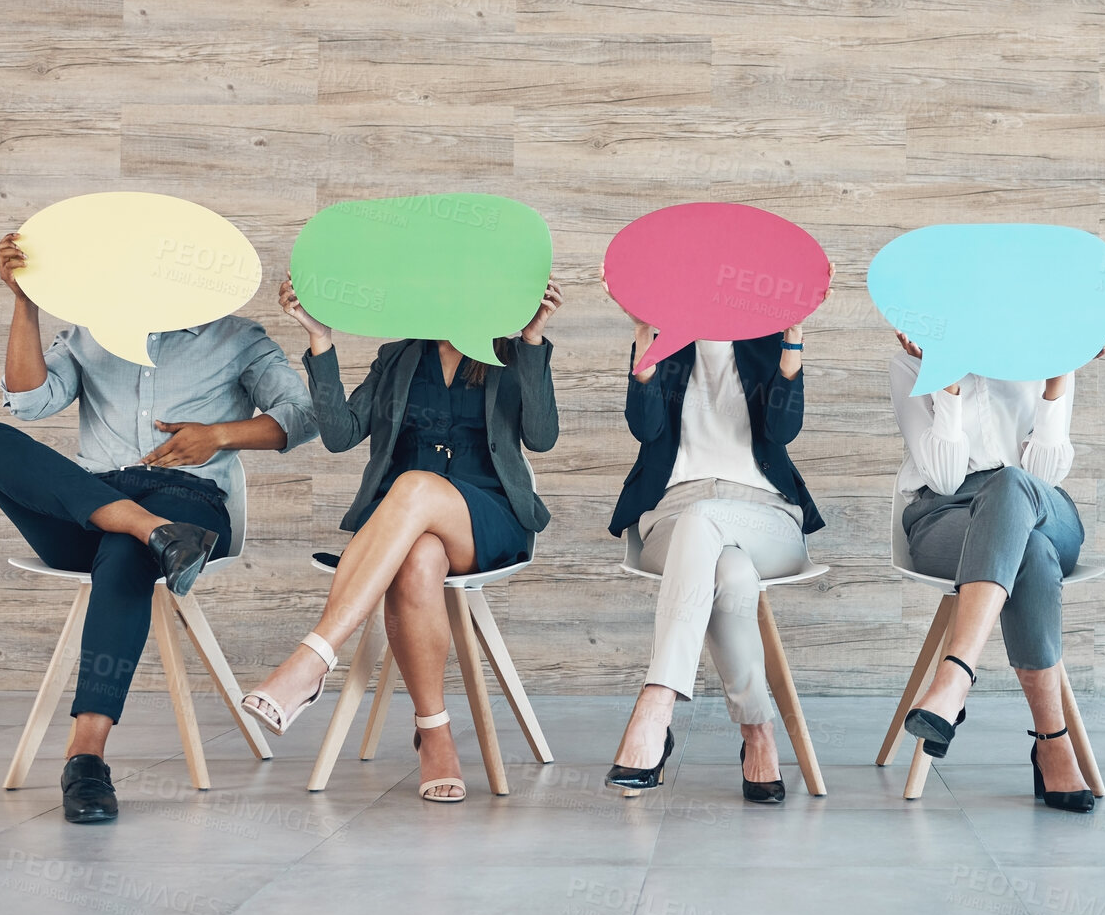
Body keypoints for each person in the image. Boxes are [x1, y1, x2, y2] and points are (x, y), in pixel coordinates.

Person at [0, 233, 318, 824]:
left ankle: (86, 757)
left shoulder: (237, 338)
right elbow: (27, 402)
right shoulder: (89, 332)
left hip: (191, 502)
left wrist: (220, 434)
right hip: (96, 502)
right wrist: (25, 301)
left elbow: (302, 419)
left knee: (126, 555)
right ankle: (149, 530)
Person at [241, 274, 561, 803]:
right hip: (403, 531)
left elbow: (542, 438)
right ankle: (434, 732)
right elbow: (342, 435)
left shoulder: (508, 351)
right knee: (417, 558)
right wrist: (319, 339)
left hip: (487, 519)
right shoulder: (398, 357)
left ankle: (314, 657)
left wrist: (531, 340)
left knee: (416, 485)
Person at [603, 268, 828, 804]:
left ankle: (657, 703)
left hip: (764, 516)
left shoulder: (766, 338)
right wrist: (643, 340)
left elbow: (783, 431)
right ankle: (758, 732)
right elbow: (646, 428)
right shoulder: (663, 339)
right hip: (675, 518)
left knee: (711, 524)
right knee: (728, 571)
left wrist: (793, 334)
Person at [893, 332, 1105, 813]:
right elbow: (944, 478)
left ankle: (954, 679)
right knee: (1027, 552)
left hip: (1042, 508)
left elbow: (1044, 474)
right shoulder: (910, 366)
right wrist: (945, 385)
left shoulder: (1042, 353)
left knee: (1014, 486)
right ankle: (1052, 741)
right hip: (948, 517)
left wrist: (1058, 374)